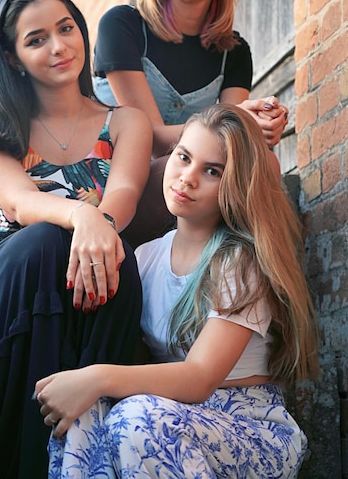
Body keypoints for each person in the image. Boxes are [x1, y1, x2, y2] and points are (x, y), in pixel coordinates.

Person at [36, 103, 320, 479]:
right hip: (169, 414)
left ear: (237, 183)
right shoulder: (145, 257)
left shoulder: (240, 259)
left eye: (212, 171)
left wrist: (97, 377)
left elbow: (199, 377)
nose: (187, 178)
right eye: (183, 157)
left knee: (134, 415)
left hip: (250, 427)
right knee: (84, 417)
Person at [0, 0, 152, 479]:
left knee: (117, 268)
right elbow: (19, 202)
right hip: (13, 279)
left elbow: (122, 196)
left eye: (66, 29)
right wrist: (82, 214)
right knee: (44, 242)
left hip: (93, 269)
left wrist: (99, 224)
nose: (59, 47)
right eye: (37, 39)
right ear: (14, 57)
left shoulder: (126, 122)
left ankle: (82, 458)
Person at [92, 0, 289, 247]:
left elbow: (231, 142)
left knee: (266, 165)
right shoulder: (122, 27)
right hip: (119, 189)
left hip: (189, 187)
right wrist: (235, 118)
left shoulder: (235, 53)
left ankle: (250, 285)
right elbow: (151, 138)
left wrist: (257, 126)